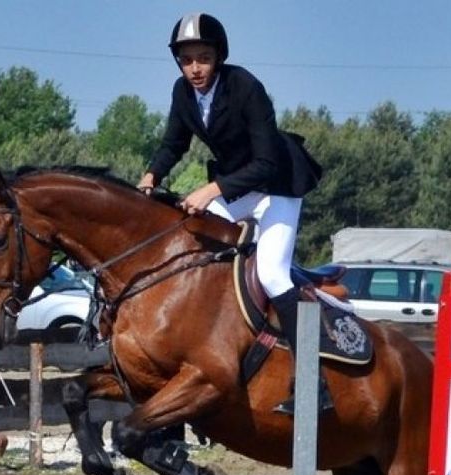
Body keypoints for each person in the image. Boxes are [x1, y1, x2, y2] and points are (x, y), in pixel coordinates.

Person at [138, 12, 326, 415]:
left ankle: (313, 383)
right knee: (193, 242)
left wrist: (210, 190)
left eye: (202, 58)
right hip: (238, 187)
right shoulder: (183, 93)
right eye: (187, 60)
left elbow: (267, 163)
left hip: (277, 186)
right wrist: (151, 176)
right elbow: (174, 143)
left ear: (218, 56)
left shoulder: (245, 87)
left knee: (273, 273)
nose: (195, 69)